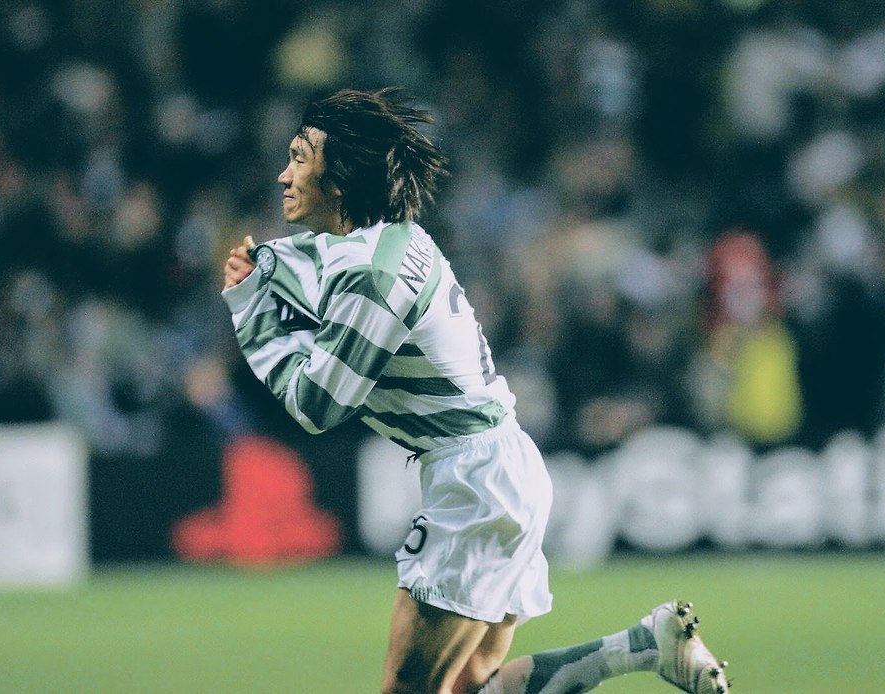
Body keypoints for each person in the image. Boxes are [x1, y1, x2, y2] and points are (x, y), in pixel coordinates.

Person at [221, 88, 730, 694]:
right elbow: (319, 270)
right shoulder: (392, 241)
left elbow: (316, 406)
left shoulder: (371, 273)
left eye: (300, 157)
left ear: (341, 178)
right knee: (473, 688)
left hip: (474, 483)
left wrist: (253, 312)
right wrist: (270, 269)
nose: (284, 173)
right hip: (500, 464)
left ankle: (646, 647)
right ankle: (644, 647)